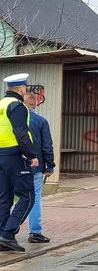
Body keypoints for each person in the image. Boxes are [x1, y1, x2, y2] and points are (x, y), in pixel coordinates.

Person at [0, 73, 39, 252]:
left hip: (1, 156)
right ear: (22, 89)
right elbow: (21, 133)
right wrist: (31, 155)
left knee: (4, 198)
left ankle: (2, 236)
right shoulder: (17, 106)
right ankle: (7, 234)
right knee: (28, 196)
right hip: (15, 157)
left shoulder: (1, 104)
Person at [24, 85, 54, 244]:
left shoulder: (9, 120)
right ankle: (35, 232)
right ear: (35, 102)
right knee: (34, 198)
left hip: (13, 166)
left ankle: (5, 230)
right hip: (35, 166)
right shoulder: (41, 121)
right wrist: (50, 166)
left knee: (7, 198)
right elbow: (47, 145)